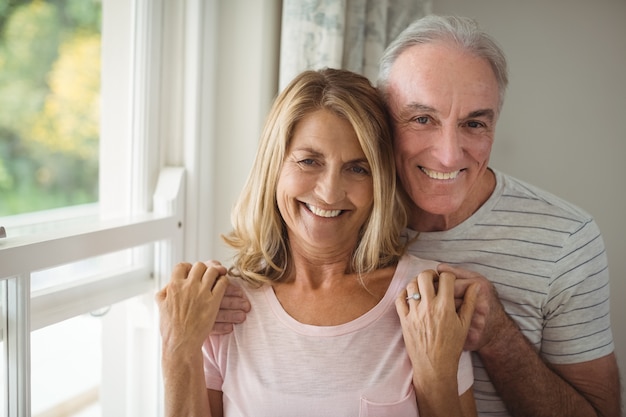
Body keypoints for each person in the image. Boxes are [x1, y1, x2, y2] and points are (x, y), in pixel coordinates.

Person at [214, 15, 622, 417]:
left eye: (474, 123)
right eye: (423, 118)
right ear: (381, 120)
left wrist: (498, 337)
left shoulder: (566, 238)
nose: (448, 154)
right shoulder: (334, 218)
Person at [156, 68, 479, 417]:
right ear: (274, 167)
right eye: (310, 161)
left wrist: (437, 378)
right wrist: (177, 347)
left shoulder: (425, 301)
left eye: (358, 169)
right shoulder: (219, 309)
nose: (328, 192)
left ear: (380, 183)